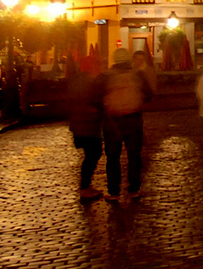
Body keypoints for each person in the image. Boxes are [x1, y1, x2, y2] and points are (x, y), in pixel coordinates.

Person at [102, 48, 156, 200]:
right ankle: (134, 188)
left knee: (113, 157)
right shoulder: (137, 74)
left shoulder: (106, 76)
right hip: (133, 119)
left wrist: (106, 107)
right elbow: (149, 94)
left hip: (112, 120)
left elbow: (95, 96)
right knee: (134, 156)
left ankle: (113, 191)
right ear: (128, 60)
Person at [67, 53, 107, 200]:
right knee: (93, 154)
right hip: (88, 123)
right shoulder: (89, 82)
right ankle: (85, 187)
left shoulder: (77, 80)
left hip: (79, 123)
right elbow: (92, 100)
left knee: (91, 154)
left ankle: (86, 186)